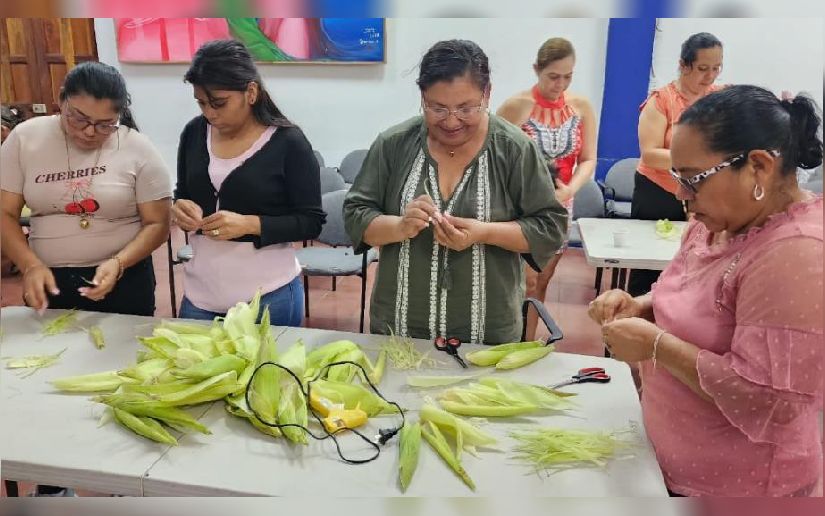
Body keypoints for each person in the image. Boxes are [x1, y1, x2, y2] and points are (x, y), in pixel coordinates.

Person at [589, 85, 823, 496]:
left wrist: (655, 346)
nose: (682, 195)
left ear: (759, 167)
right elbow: (690, 296)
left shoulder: (795, 254)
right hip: (673, 463)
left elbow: (773, 402)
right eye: (679, 178)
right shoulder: (713, 222)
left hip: (742, 486)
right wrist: (639, 306)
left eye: (693, 180)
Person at [343, 39, 568, 344]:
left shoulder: (514, 149)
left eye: (465, 108)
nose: (451, 122)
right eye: (438, 108)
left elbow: (549, 227)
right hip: (402, 325)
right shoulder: (395, 144)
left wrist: (484, 233)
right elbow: (357, 215)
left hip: (487, 329)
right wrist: (399, 226)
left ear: (487, 94)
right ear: (423, 97)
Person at [1, 61, 172, 318]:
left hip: (124, 276)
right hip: (47, 276)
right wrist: (30, 266)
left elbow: (158, 223)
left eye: (105, 125)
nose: (90, 132)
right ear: (61, 100)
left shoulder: (136, 147)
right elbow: (5, 213)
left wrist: (119, 262)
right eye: (79, 119)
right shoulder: (26, 139)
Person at [172, 40, 324, 325]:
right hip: (201, 295)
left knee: (265, 369)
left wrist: (249, 225)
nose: (210, 113)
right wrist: (180, 209)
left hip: (268, 296)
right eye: (201, 103)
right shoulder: (194, 133)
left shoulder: (288, 143)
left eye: (219, 103)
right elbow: (182, 194)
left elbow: (310, 221)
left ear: (250, 92)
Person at [497, 37, 597, 340]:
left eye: (568, 76)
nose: (560, 84)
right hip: (520, 206)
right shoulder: (516, 106)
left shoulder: (581, 107)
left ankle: (526, 344)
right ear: (536, 70)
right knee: (521, 281)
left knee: (542, 280)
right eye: (553, 76)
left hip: (559, 206)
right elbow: (491, 154)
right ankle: (505, 340)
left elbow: (589, 158)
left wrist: (570, 191)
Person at [629, 32, 724, 296]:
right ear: (683, 65)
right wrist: (698, 160)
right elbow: (650, 154)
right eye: (703, 69)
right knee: (648, 267)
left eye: (717, 68)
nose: (710, 76)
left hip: (702, 193)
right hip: (658, 190)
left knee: (692, 260)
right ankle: (631, 323)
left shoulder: (720, 99)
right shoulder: (662, 100)